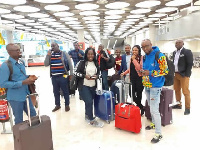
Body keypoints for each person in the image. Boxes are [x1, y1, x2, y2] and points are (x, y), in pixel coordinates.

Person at [0, 43, 36, 124]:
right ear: (9, 52)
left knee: (33, 116)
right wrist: (22, 82)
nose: (20, 52)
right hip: (15, 98)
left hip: (26, 95)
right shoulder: (5, 66)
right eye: (17, 50)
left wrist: (29, 77)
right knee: (19, 120)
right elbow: (2, 83)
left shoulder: (21, 62)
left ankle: (34, 135)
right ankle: (19, 136)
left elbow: (20, 76)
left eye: (19, 50)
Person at [141, 39, 168, 143]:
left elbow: (165, 70)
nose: (145, 49)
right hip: (147, 85)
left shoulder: (159, 55)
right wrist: (143, 72)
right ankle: (153, 123)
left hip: (155, 86)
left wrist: (150, 72)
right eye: (143, 47)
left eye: (146, 46)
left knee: (154, 109)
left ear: (151, 45)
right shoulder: (145, 56)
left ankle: (158, 133)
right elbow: (146, 69)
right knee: (150, 106)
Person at [74, 47, 104, 127]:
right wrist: (84, 76)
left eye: (92, 54)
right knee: (89, 102)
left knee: (89, 102)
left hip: (93, 86)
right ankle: (91, 120)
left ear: (94, 55)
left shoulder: (96, 63)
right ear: (86, 55)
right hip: (84, 86)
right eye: (89, 54)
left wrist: (97, 76)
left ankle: (87, 116)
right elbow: (75, 72)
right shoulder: (82, 62)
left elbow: (100, 74)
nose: (90, 56)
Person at [44, 42, 73, 112]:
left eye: (54, 46)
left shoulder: (64, 53)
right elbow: (46, 64)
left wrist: (71, 74)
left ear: (58, 46)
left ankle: (67, 105)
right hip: (54, 77)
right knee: (55, 91)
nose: (52, 47)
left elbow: (70, 63)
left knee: (65, 91)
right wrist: (48, 55)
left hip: (63, 75)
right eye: (51, 46)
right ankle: (57, 105)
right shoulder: (51, 55)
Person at [121, 45, 144, 116]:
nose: (134, 52)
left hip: (139, 79)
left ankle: (139, 110)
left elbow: (140, 68)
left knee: (139, 94)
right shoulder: (131, 58)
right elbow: (130, 68)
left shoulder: (141, 57)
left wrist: (134, 60)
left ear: (139, 51)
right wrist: (124, 73)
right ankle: (141, 107)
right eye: (133, 50)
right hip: (132, 79)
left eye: (136, 50)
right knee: (132, 94)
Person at [172, 40, 193, 115]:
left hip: (184, 75)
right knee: (177, 90)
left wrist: (187, 74)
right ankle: (178, 104)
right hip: (176, 74)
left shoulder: (187, 52)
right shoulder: (174, 52)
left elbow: (190, 64)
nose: (177, 44)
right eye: (176, 43)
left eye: (179, 43)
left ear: (183, 44)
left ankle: (187, 108)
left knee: (185, 92)